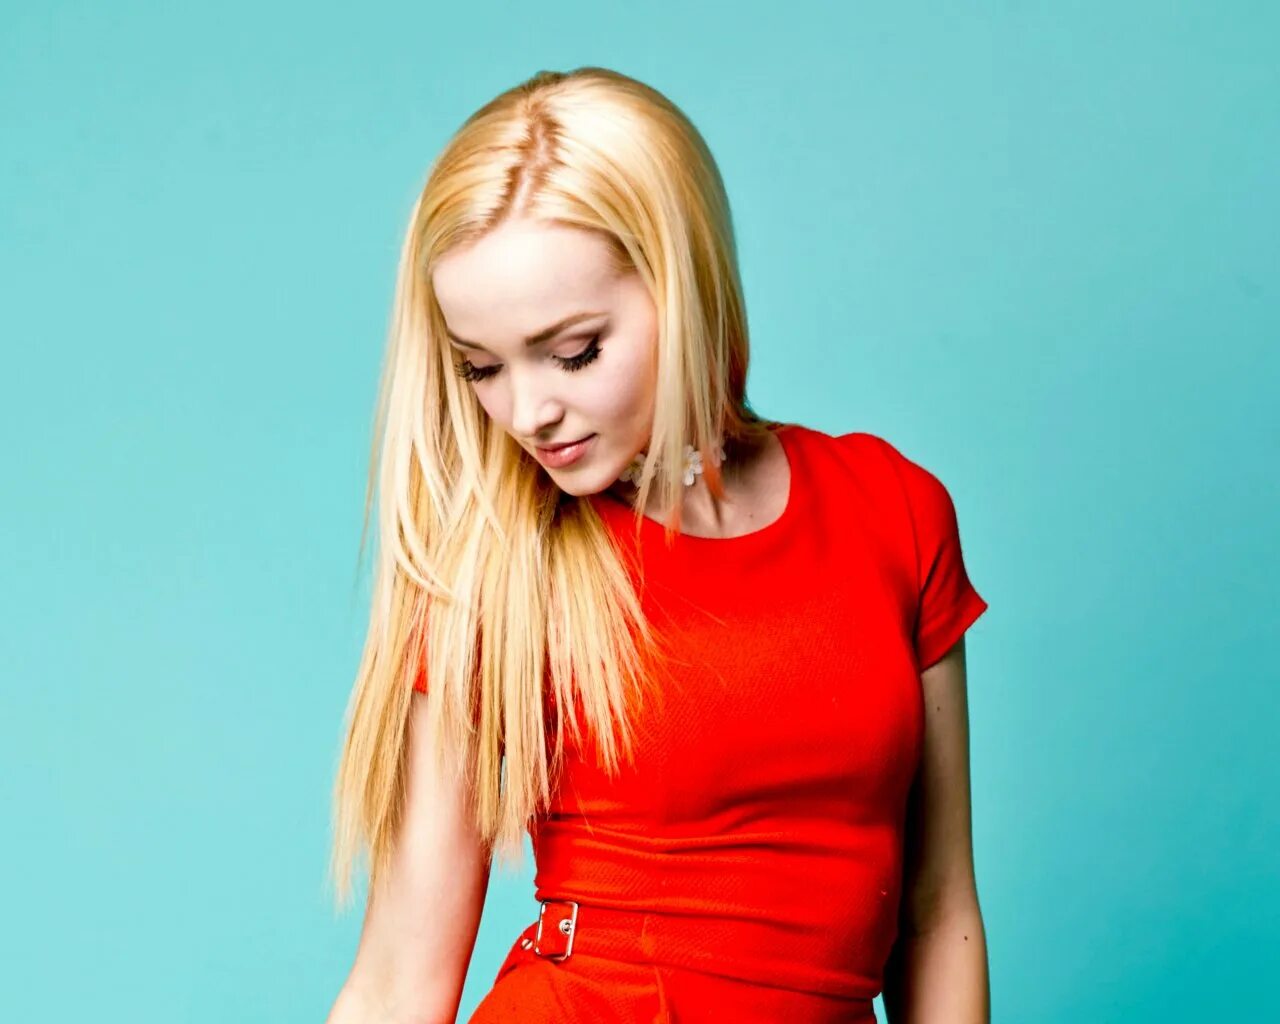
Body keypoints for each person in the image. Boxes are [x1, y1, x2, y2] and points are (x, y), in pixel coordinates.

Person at [325, 66, 991, 1024]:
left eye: (574, 351)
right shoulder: (498, 569)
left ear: (684, 283)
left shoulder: (893, 510)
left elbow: (938, 912)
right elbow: (398, 981)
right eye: (481, 367)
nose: (529, 410)